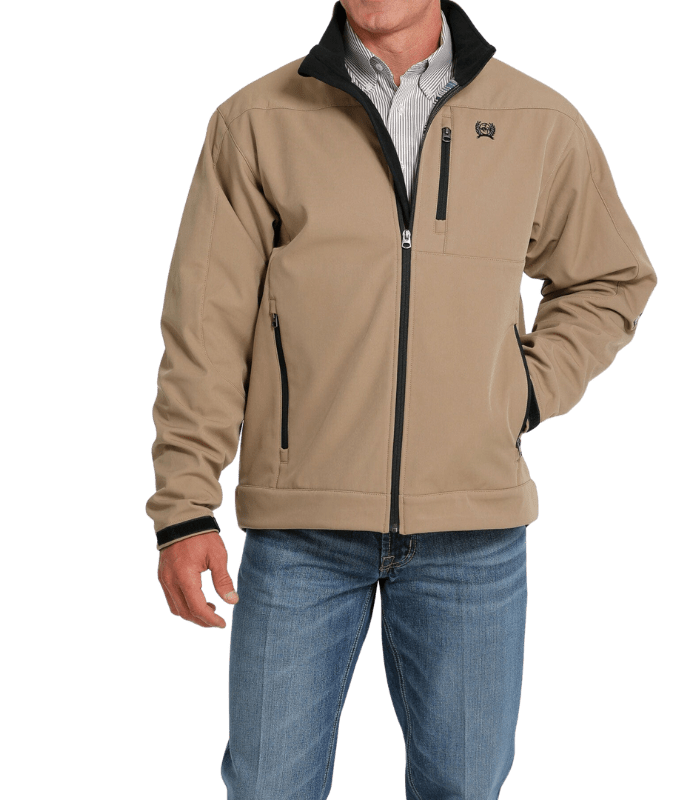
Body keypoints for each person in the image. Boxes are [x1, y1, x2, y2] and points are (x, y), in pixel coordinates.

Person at [145, 0, 658, 796]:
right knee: (269, 784)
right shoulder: (254, 121)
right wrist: (184, 507)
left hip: (472, 533)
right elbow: (205, 325)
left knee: (463, 788)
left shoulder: (540, 120)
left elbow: (610, 279)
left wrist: (522, 392)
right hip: (299, 531)